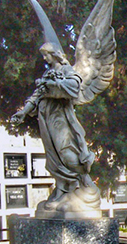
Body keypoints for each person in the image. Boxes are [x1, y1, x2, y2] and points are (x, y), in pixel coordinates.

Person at [12, 43, 101, 213]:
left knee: (65, 151)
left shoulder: (67, 70)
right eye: (44, 56)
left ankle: (81, 184)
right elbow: (37, 95)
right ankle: (62, 189)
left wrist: (55, 83)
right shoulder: (47, 73)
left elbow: (74, 88)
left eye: (47, 55)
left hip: (60, 119)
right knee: (52, 156)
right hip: (46, 119)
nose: (45, 59)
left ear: (54, 54)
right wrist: (23, 112)